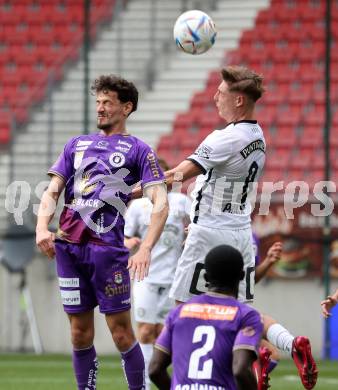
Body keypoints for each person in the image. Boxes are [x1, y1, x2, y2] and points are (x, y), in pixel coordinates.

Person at [133, 65, 318, 390]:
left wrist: (130, 190)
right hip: (239, 232)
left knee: (181, 311)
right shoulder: (258, 138)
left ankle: (183, 380)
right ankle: (289, 345)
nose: (215, 97)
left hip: (209, 233)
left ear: (239, 101)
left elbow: (178, 174)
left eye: (222, 93)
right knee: (242, 313)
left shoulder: (225, 138)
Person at [36, 75, 169, 390]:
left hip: (107, 251)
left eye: (108, 102)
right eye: (98, 102)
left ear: (127, 107)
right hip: (68, 248)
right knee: (79, 333)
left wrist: (147, 247)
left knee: (121, 333)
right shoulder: (76, 144)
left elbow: (160, 203)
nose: (100, 108)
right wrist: (42, 226)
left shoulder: (139, 149)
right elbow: (52, 190)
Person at [149, 244, 263, 390]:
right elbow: (240, 370)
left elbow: (154, 369)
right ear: (242, 276)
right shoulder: (246, 315)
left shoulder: (178, 312)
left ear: (206, 277)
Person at [124, 158, 191, 390]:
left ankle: (167, 378)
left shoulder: (181, 202)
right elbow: (122, 237)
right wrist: (128, 241)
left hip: (174, 278)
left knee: (164, 333)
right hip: (145, 276)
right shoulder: (138, 206)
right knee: (144, 330)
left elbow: (198, 224)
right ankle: (142, 384)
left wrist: (192, 231)